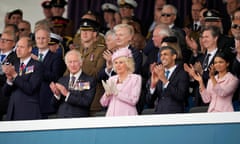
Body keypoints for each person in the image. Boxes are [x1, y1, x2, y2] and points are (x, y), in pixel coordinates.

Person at [2, 37, 43, 120]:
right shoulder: (15, 65)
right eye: (17, 47)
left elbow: (30, 88)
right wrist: (9, 80)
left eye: (22, 47)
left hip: (28, 110)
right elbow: (5, 93)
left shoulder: (37, 65)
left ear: (29, 49)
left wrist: (14, 75)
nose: (18, 49)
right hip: (12, 111)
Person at [50, 50, 96, 118]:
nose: (72, 65)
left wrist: (67, 94)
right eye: (70, 62)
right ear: (66, 64)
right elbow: (53, 105)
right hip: (62, 118)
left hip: (79, 119)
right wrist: (57, 95)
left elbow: (86, 102)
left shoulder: (89, 80)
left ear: (81, 63)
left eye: (75, 61)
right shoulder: (61, 80)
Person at [32, 27, 66, 118]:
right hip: (30, 102)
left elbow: (55, 77)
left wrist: (38, 64)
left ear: (48, 39)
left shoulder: (56, 57)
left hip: (46, 101)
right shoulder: (30, 55)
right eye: (38, 38)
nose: (41, 41)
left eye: (43, 38)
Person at [146, 46, 189, 114]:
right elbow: (149, 102)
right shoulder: (160, 73)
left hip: (175, 115)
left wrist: (165, 80)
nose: (162, 57)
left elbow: (181, 96)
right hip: (159, 114)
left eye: (165, 54)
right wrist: (153, 85)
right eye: (161, 55)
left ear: (174, 56)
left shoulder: (182, 73)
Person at [100, 48, 142, 116]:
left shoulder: (135, 78)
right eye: (116, 63)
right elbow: (103, 103)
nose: (118, 65)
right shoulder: (112, 79)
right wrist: (107, 95)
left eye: (121, 62)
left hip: (127, 115)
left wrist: (117, 93)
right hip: (112, 116)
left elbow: (133, 100)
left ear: (128, 63)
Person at [0, 31, 18, 120]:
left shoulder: (16, 58)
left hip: (4, 99)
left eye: (6, 40)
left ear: (13, 43)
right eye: (1, 39)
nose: (2, 42)